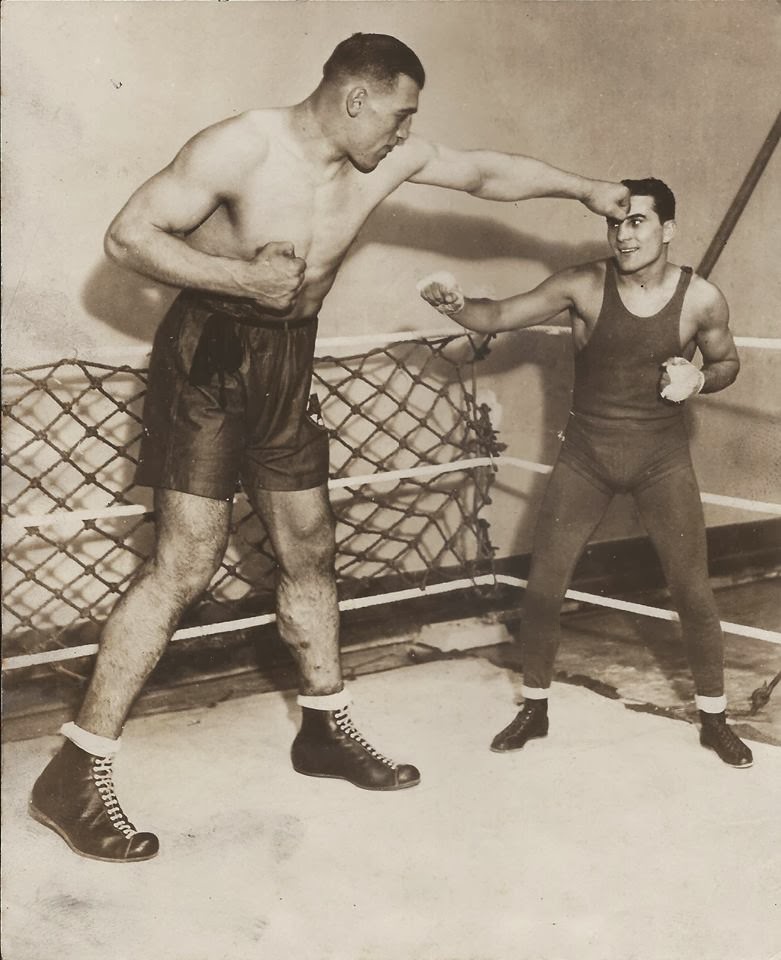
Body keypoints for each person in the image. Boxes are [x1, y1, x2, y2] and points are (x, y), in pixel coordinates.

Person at [30, 33, 631, 863]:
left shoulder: (379, 160)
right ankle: (74, 770)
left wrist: (587, 188)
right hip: (208, 357)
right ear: (355, 98)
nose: (402, 133)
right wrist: (241, 280)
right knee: (185, 564)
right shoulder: (240, 146)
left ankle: (322, 727)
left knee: (309, 548)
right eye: (397, 113)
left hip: (288, 358)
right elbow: (128, 238)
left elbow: (486, 172)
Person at [419, 177, 753, 769]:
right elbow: (496, 314)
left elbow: (726, 361)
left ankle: (714, 717)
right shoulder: (582, 285)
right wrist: (456, 306)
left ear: (668, 229)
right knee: (545, 585)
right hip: (586, 457)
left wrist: (700, 379)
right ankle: (535, 706)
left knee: (692, 591)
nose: (623, 235)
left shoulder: (701, 298)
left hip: (661, 460)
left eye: (639, 222)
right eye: (616, 223)